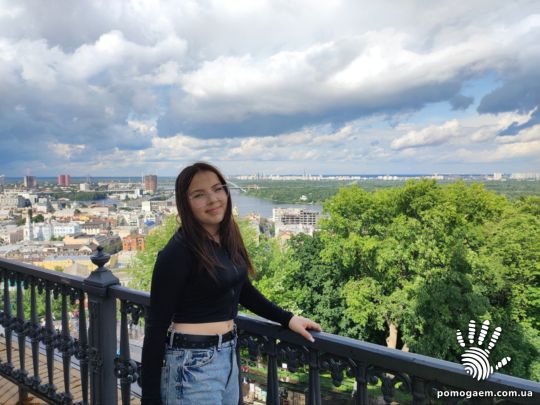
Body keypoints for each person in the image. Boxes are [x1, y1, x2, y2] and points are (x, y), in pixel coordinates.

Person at [141, 162, 321, 405]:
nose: (213, 199)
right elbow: (155, 328)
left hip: (227, 355)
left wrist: (287, 319)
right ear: (185, 204)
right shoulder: (178, 252)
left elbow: (242, 289)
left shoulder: (225, 237)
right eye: (199, 195)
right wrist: (150, 399)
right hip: (192, 363)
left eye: (218, 189)